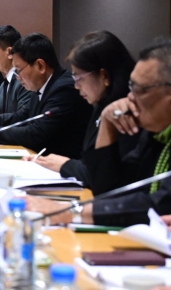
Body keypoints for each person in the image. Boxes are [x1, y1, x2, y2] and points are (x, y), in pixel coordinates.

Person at [29, 39, 171, 227]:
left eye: (140, 89)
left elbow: (159, 204)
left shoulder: (141, 126)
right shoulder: (155, 135)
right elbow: (109, 188)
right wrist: (107, 124)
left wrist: (69, 212)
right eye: (131, 87)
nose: (130, 97)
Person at [0, 33, 92, 158]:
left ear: (40, 66)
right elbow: (21, 117)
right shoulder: (42, 86)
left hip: (63, 168)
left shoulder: (64, 89)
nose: (17, 76)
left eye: (19, 69)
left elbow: (35, 134)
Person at [31, 31, 136, 186]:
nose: (76, 86)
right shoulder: (101, 104)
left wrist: (66, 165)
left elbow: (107, 178)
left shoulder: (126, 113)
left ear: (104, 76)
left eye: (79, 77)